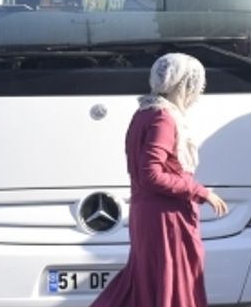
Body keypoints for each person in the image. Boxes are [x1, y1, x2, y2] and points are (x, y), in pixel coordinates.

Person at [90, 54, 227, 307]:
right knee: (170, 283)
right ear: (182, 85)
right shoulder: (163, 118)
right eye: (193, 85)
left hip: (148, 216)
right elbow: (151, 175)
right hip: (165, 219)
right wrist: (200, 191)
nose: (195, 94)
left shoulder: (144, 113)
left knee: (147, 284)